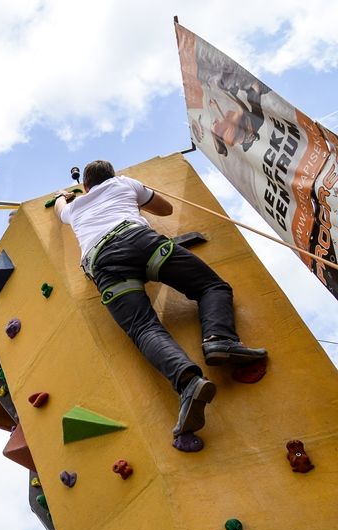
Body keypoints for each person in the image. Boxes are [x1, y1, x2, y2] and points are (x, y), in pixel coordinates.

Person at [54, 160, 267, 437]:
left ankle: (188, 383)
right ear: (112, 175)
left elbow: (60, 210)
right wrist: (134, 196)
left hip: (104, 263)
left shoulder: (74, 208)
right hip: (140, 242)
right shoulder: (124, 183)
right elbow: (165, 209)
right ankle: (219, 340)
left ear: (85, 186)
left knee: (143, 328)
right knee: (211, 286)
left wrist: (62, 196)